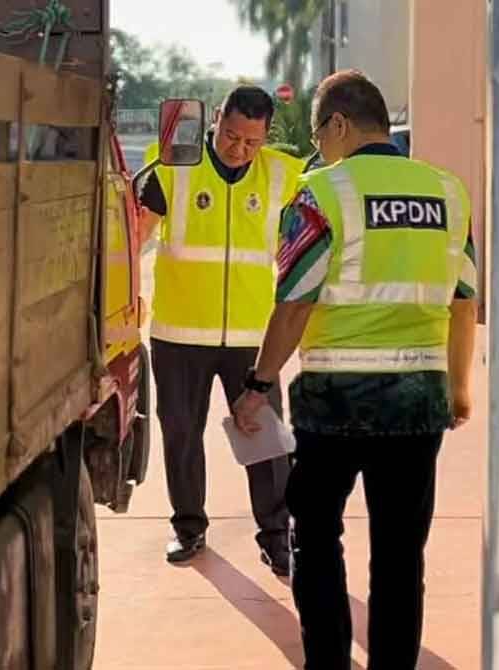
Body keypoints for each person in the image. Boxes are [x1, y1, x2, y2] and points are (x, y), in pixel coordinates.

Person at [233, 70, 478, 668]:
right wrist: (459, 386)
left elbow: (293, 301)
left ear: (339, 123)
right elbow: (465, 299)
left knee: (316, 543)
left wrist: (257, 386)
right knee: (400, 554)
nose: (318, 147)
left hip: (334, 401)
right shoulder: (448, 192)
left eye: (319, 134)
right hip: (418, 400)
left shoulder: (321, 193)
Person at [139, 86, 304, 575]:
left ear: (266, 136)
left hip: (253, 338)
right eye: (231, 136)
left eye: (252, 141)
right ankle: (188, 527)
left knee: (266, 441)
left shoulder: (284, 175)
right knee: (181, 436)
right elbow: (138, 231)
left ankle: (277, 537)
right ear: (215, 122)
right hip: (180, 333)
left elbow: (299, 248)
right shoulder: (171, 164)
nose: (239, 149)